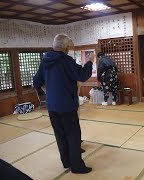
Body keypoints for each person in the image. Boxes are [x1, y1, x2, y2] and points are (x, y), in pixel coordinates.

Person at [33, 33, 93, 174]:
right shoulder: (66, 61)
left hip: (52, 107)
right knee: (73, 136)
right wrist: (90, 61)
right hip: (67, 106)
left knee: (60, 135)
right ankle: (77, 167)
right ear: (65, 47)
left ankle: (66, 162)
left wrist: (47, 93)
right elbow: (82, 75)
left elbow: (36, 82)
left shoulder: (45, 61)